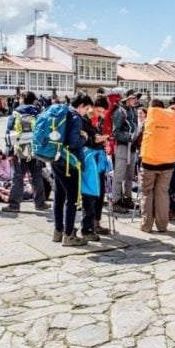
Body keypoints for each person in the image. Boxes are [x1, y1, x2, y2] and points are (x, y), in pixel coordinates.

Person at [53, 93, 93, 246]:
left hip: (56, 158)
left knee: (59, 196)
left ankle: (58, 231)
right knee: (72, 199)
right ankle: (69, 235)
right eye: (87, 108)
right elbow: (73, 142)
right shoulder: (76, 118)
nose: (86, 112)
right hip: (69, 163)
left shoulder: (63, 113)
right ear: (81, 106)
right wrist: (85, 137)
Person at [2, 92, 50, 213]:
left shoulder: (15, 113)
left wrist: (8, 151)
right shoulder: (39, 113)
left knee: (17, 177)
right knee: (37, 177)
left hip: (20, 149)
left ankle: (14, 205)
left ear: (22, 99)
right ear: (34, 100)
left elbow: (9, 132)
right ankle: (40, 203)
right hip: (35, 149)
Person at [139, 99, 175, 233]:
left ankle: (146, 225)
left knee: (147, 192)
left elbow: (136, 138)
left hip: (149, 162)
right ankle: (162, 225)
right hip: (167, 162)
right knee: (162, 193)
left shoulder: (147, 122)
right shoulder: (172, 120)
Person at [80, 96, 112, 241]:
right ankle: (88, 226)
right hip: (89, 161)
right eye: (98, 111)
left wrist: (103, 141)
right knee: (90, 194)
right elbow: (84, 140)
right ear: (92, 107)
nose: (100, 114)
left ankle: (96, 222)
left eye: (102, 112)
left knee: (100, 193)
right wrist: (96, 139)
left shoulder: (98, 120)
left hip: (98, 159)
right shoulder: (84, 119)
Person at [111, 89, 139, 213]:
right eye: (133, 98)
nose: (135, 100)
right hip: (122, 147)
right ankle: (116, 201)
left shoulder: (133, 111)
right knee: (119, 175)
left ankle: (127, 198)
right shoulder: (119, 112)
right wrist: (129, 137)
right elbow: (115, 132)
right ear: (127, 99)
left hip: (132, 147)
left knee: (130, 176)